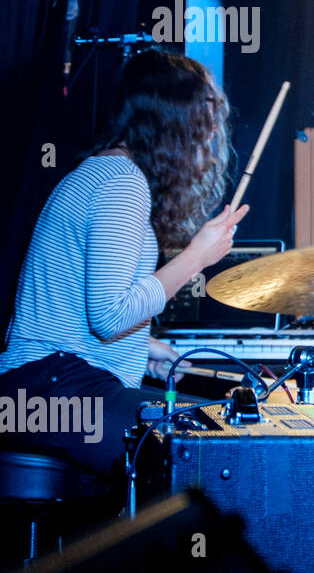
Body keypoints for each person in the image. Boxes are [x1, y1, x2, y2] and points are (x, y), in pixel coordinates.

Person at [0, 49, 249, 483]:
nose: (211, 135)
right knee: (204, 450)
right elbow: (110, 314)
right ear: (171, 121)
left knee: (198, 426)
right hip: (51, 387)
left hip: (43, 384)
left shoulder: (103, 172)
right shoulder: (122, 184)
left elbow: (73, 305)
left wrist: (143, 348)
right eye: (202, 119)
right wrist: (198, 256)